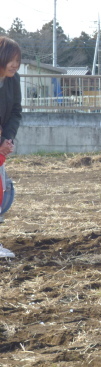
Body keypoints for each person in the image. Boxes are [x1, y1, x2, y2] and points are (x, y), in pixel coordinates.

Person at [0, 36, 22, 258]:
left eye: (18, 59)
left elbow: (16, 110)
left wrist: (7, 139)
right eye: (11, 59)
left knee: (1, 190)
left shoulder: (13, 80)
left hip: (1, 144)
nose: (15, 64)